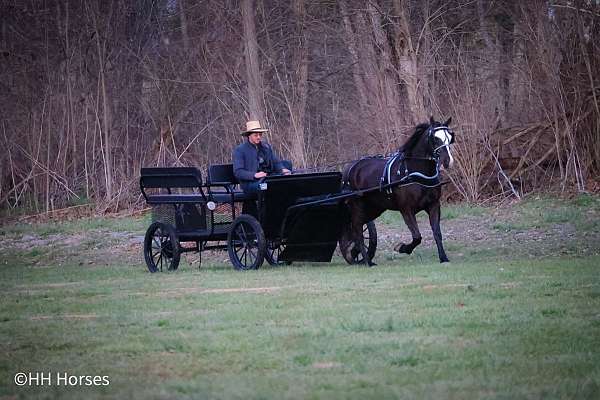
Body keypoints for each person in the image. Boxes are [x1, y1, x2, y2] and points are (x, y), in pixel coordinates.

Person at [233, 120, 291, 194]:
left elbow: (276, 162)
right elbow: (238, 172)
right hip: (250, 184)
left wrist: (283, 170)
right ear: (249, 135)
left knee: (285, 184)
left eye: (260, 135)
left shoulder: (266, 147)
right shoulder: (240, 150)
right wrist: (255, 175)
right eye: (256, 135)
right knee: (267, 187)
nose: (259, 137)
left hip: (268, 179)